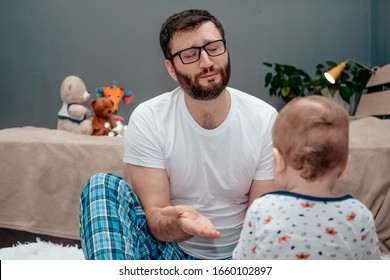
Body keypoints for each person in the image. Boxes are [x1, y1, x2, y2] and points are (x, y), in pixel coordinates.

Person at [79, 9, 278, 260]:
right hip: (171, 252)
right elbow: (155, 216)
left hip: (240, 256)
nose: (206, 62)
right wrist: (181, 226)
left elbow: (261, 219)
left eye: (213, 47)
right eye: (190, 54)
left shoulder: (265, 118)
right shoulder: (149, 117)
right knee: (101, 185)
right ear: (171, 69)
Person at [233, 95, 382, 260]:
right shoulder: (359, 215)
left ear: (278, 161)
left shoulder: (261, 210)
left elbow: (242, 264)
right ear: (344, 167)